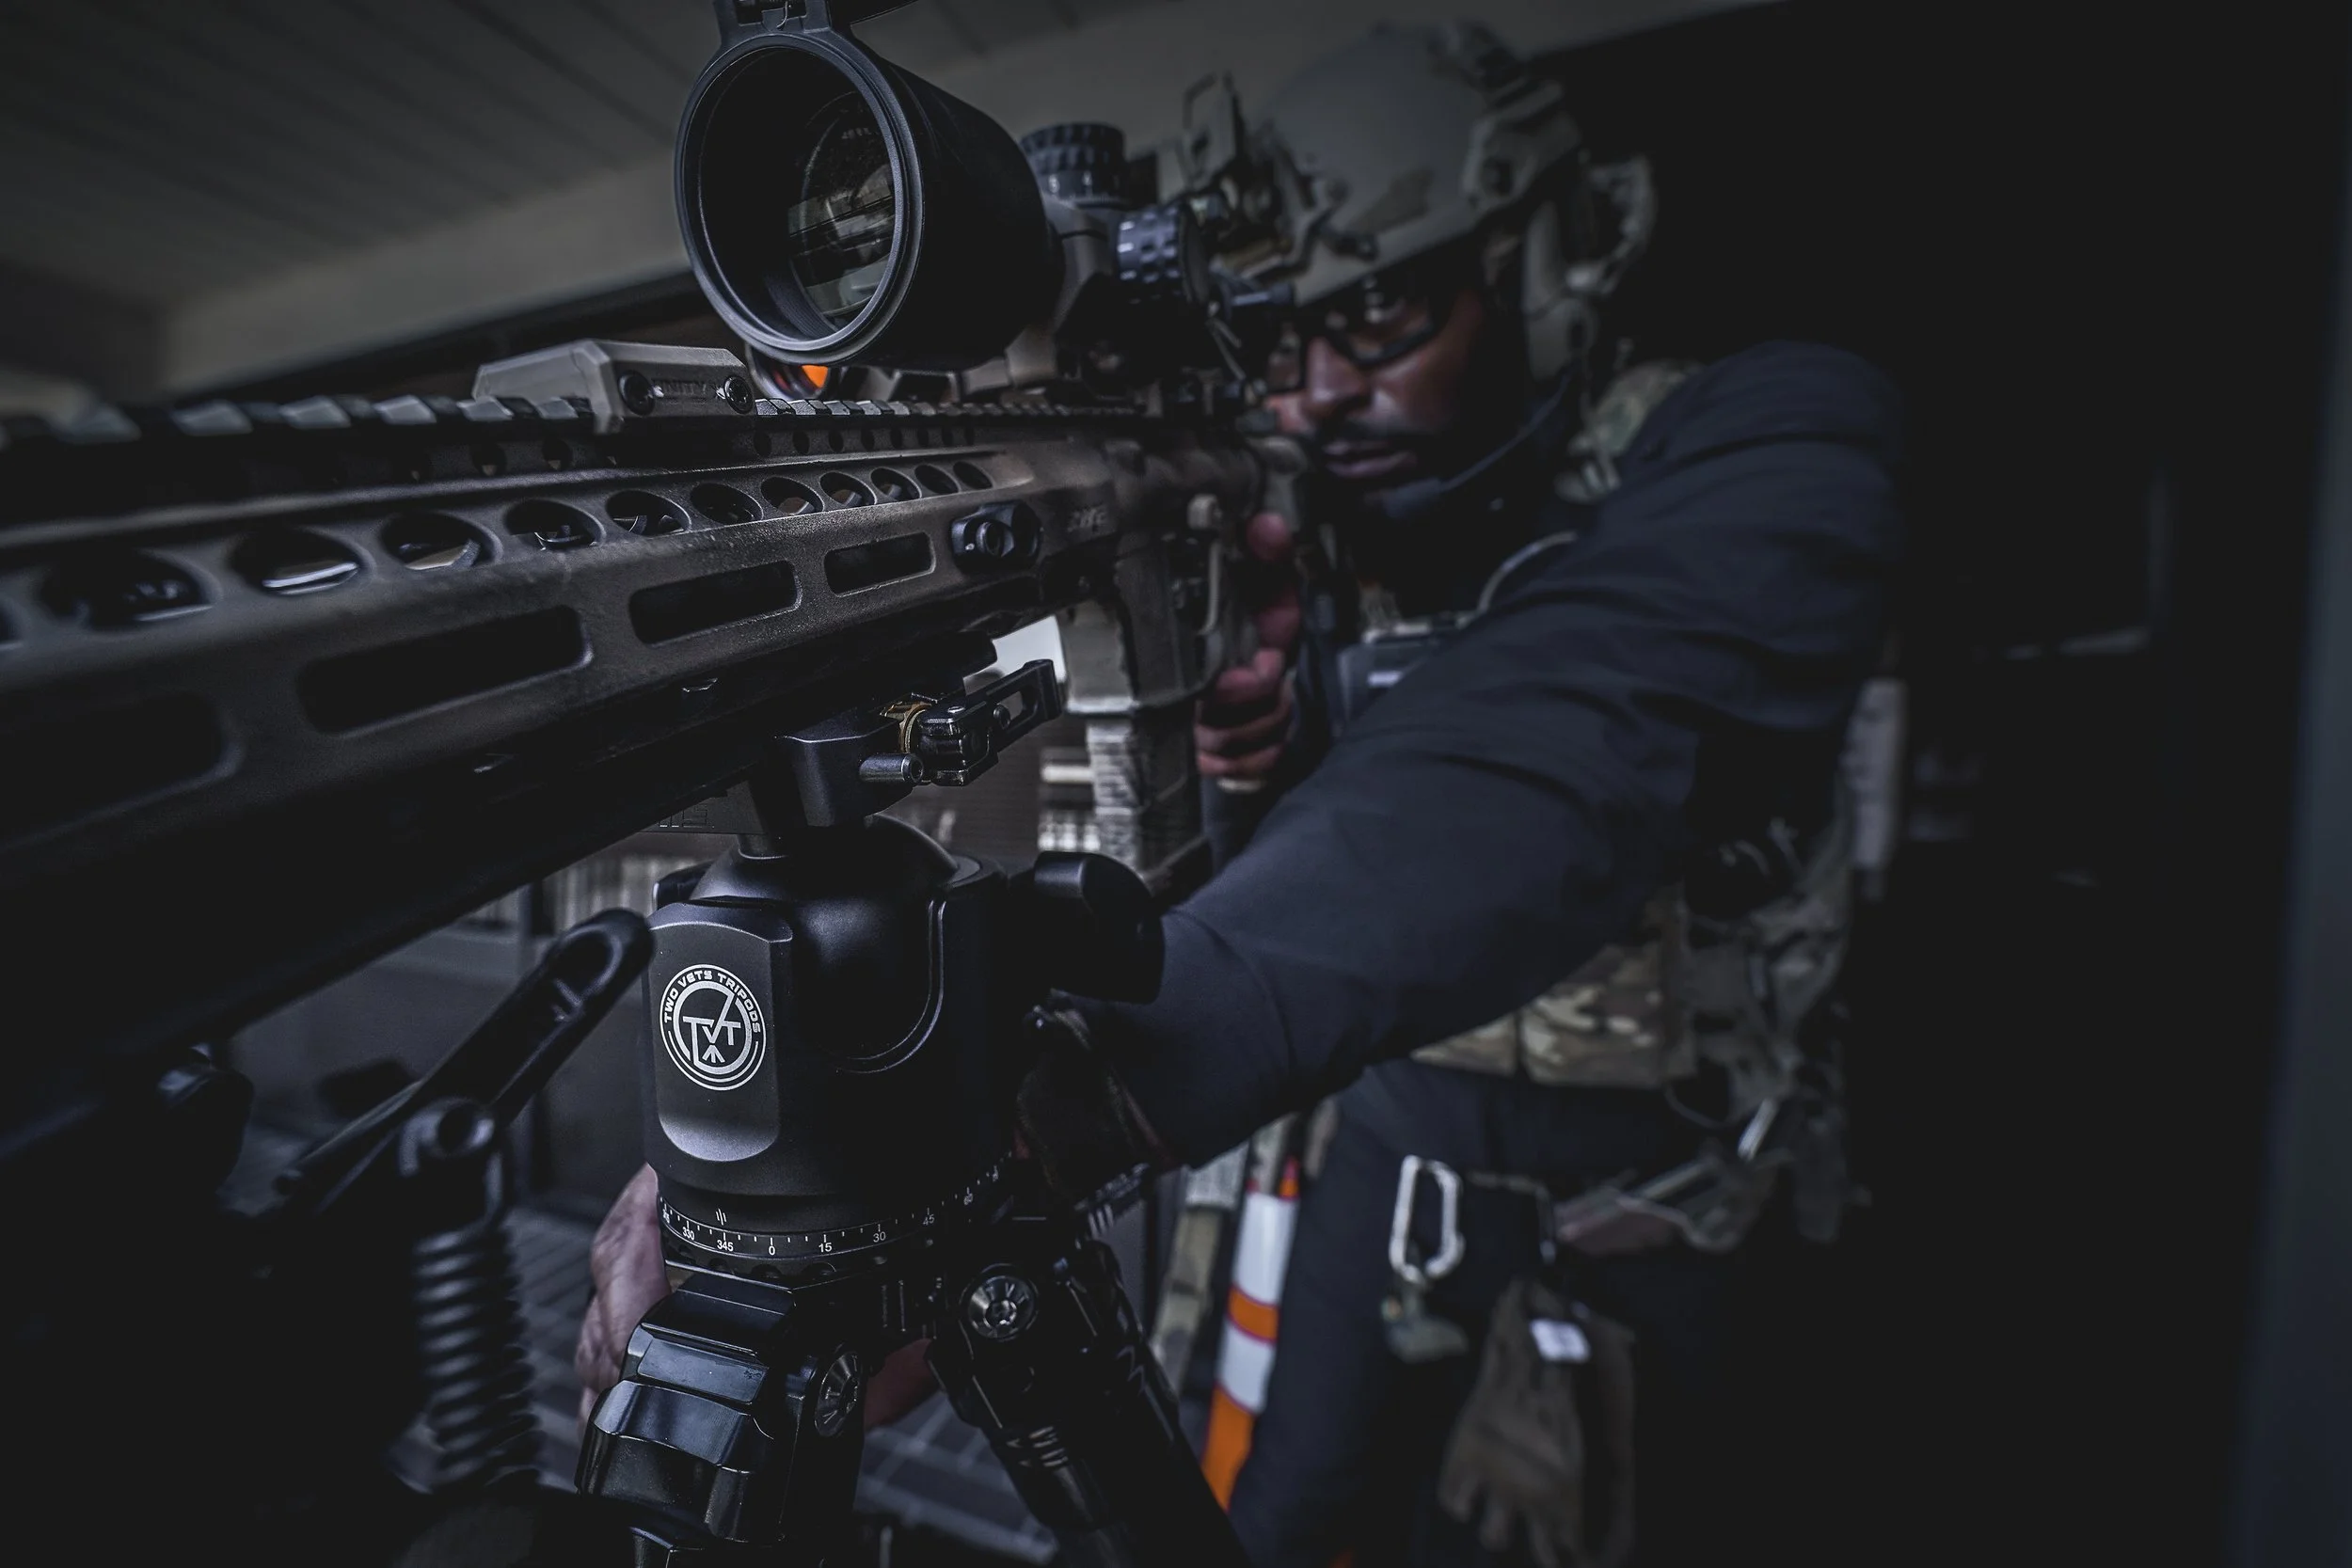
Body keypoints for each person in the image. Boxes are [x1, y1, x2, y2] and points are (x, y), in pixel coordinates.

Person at [580, 23, 1899, 1566]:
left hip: (1666, 1192)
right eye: (1284, 341)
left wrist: (1053, 1096)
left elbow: (1578, 732)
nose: (1323, 391)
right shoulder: (1290, 517)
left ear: (1545, 258)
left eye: (1386, 312)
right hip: (1381, 1157)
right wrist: (1250, 755)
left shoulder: (1778, 434)